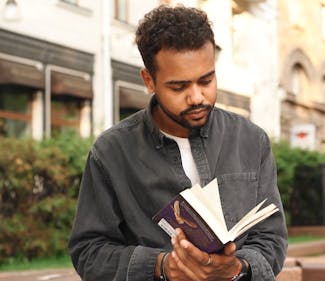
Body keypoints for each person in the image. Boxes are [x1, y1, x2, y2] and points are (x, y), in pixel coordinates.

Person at [68, 4, 288, 281]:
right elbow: (88, 252)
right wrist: (162, 266)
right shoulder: (112, 152)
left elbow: (272, 239)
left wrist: (236, 268)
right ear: (149, 80)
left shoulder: (250, 140)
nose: (197, 97)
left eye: (206, 80)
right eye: (179, 87)